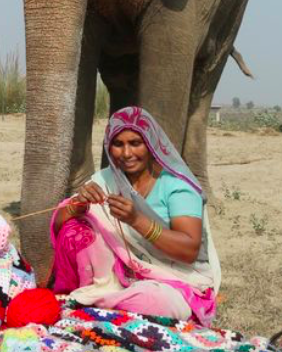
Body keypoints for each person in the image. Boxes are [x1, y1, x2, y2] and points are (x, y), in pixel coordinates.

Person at [50, 106, 220, 325]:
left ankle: (99, 304)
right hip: (120, 275)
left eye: (135, 143)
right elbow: (59, 225)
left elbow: (188, 251)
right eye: (118, 144)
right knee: (76, 231)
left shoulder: (177, 186)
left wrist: (137, 220)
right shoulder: (106, 180)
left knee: (149, 302)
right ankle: (106, 299)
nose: (127, 153)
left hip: (175, 281)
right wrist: (77, 205)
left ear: (150, 144)